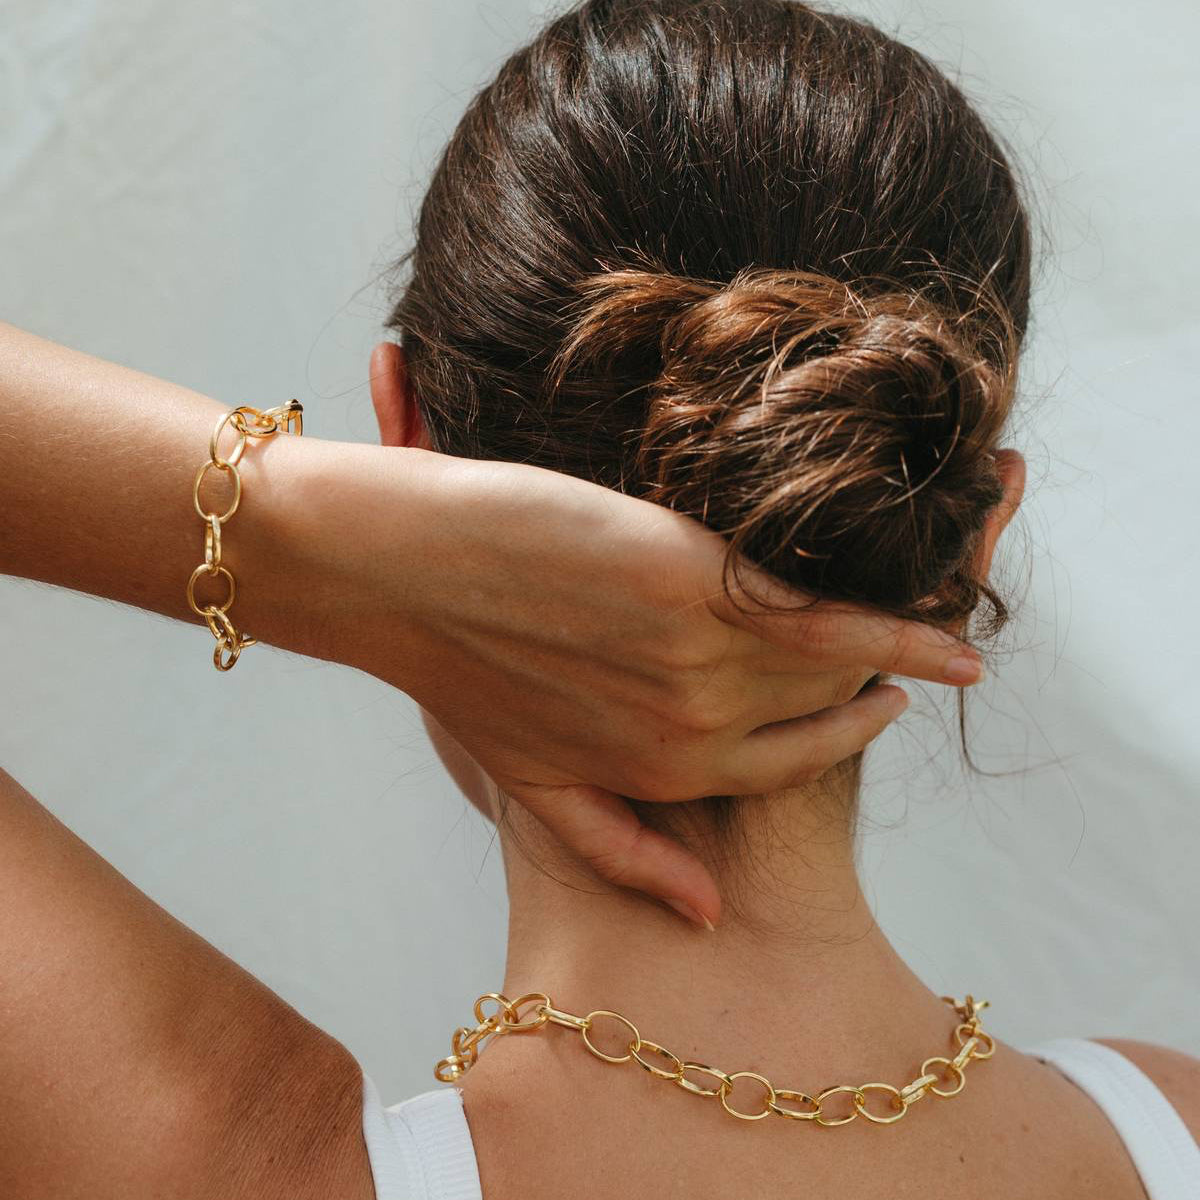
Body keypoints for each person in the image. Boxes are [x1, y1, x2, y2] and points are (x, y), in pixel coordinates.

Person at [0, 5, 1193, 1200]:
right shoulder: (1174, 1132)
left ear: (403, 441)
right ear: (974, 531)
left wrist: (290, 532)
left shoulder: (218, 1159)